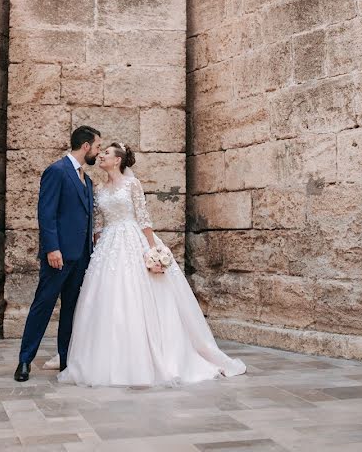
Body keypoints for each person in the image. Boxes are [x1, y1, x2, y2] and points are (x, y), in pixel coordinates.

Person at [55, 142, 247, 387]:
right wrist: (97, 244)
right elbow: (98, 223)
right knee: (105, 298)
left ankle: (153, 356)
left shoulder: (132, 184)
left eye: (106, 153)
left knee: (139, 294)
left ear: (118, 160)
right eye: (101, 152)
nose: (100, 156)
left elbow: (143, 218)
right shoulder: (98, 188)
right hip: (107, 247)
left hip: (133, 239)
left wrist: (153, 249)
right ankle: (105, 360)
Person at [14, 126, 102, 382]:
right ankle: (24, 360)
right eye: (97, 146)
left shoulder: (87, 180)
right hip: (59, 256)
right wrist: (52, 248)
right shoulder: (57, 171)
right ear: (85, 146)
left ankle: (65, 358)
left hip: (82, 257)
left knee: (71, 310)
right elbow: (46, 213)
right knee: (43, 305)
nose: (97, 151)